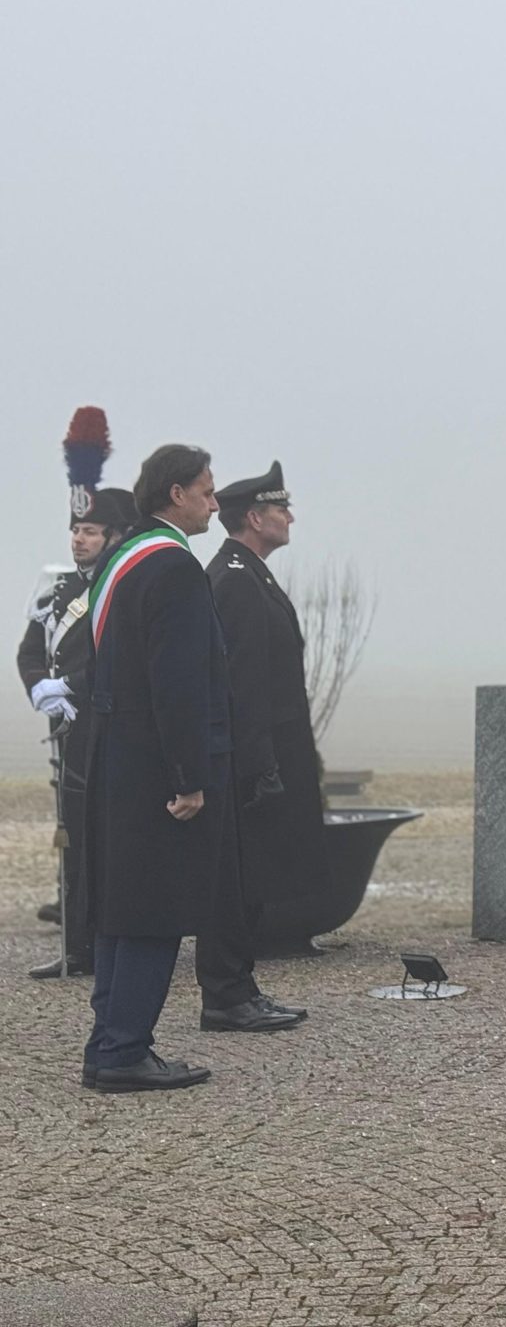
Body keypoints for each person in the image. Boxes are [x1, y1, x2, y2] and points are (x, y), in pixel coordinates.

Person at [80, 445, 233, 1091]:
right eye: (206, 490)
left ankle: (110, 1040)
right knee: (153, 908)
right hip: (153, 763)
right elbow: (178, 683)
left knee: (120, 904)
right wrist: (188, 774)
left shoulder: (120, 559)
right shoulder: (173, 567)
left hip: (113, 752)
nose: (215, 503)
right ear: (176, 494)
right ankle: (121, 1051)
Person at [17, 405, 135, 977]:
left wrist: (73, 685)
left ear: (113, 535)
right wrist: (42, 688)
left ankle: (105, 942)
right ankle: (75, 945)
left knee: (103, 842)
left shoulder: (120, 584)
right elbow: (29, 650)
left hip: (105, 729)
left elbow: (119, 655)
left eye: (89, 530)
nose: (78, 539)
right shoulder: (58, 590)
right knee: (72, 839)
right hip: (65, 731)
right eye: (75, 529)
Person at [201, 461, 315, 1031]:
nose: (290, 516)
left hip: (262, 754)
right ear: (254, 517)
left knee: (251, 877)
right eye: (280, 508)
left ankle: (238, 986)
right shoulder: (236, 581)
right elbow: (243, 685)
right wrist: (261, 764)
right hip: (248, 762)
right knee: (236, 878)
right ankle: (225, 994)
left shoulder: (250, 573)